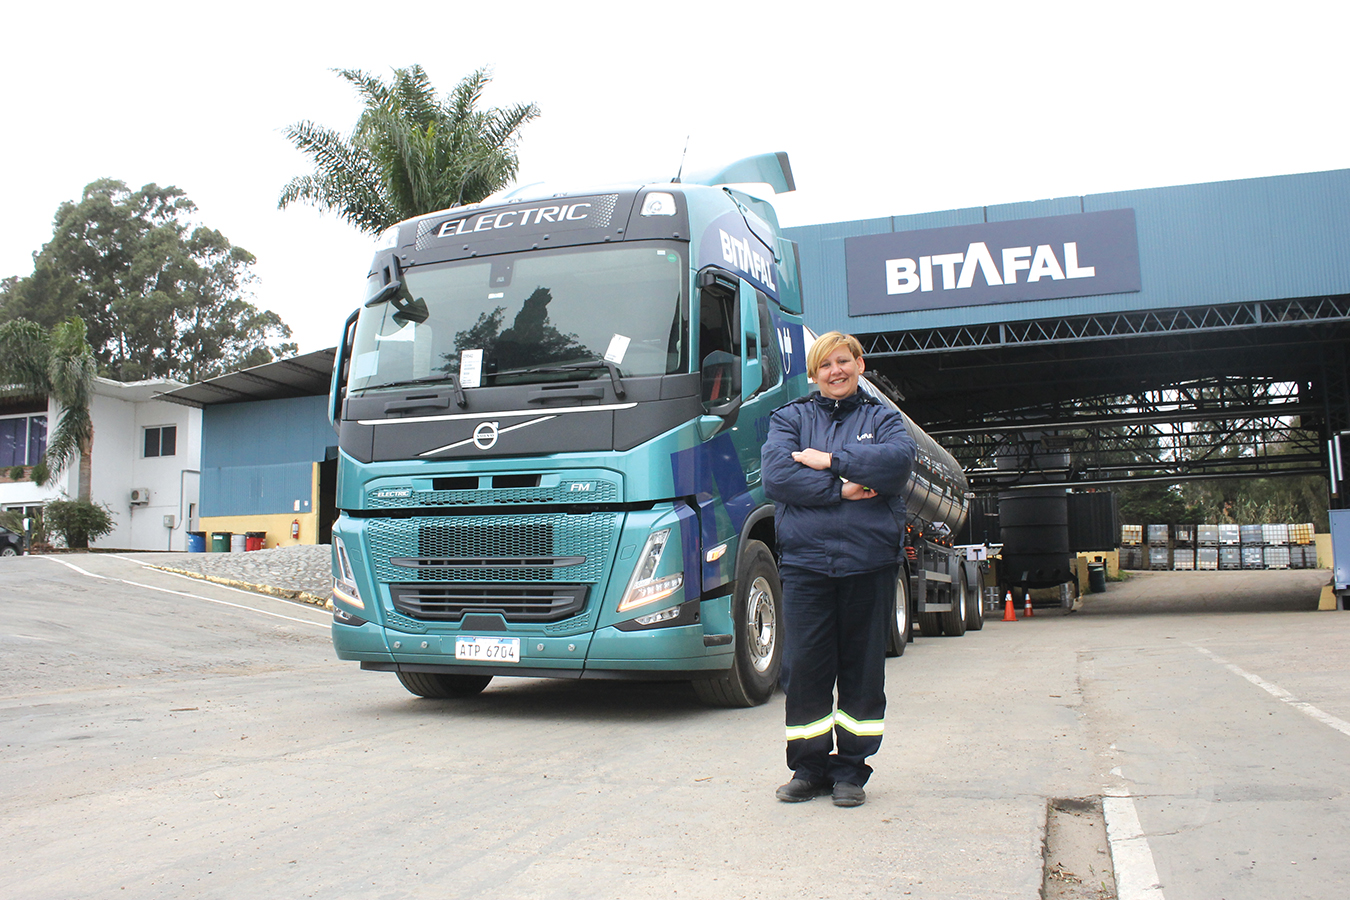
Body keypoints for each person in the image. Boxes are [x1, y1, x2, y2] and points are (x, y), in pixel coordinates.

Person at [761, 331, 916, 807]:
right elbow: (778, 477)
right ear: (814, 373)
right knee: (804, 669)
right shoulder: (790, 419)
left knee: (862, 670)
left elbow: (896, 464)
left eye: (843, 361)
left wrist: (828, 460)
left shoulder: (884, 418)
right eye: (825, 365)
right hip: (807, 566)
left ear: (860, 365)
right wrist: (843, 488)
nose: (836, 371)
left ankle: (851, 771)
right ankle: (808, 769)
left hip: (867, 563)